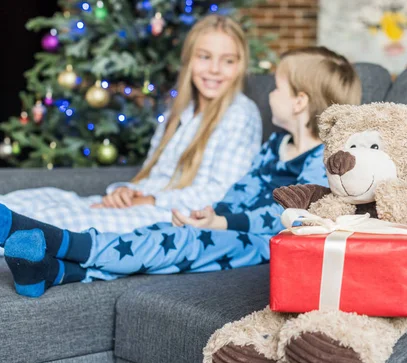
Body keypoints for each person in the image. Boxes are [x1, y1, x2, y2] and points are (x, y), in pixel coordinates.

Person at [0, 46, 362, 298]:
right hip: (226, 228)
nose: (269, 94)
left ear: (299, 101)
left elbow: (286, 216)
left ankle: (50, 238)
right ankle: (48, 272)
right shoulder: (275, 147)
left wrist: (221, 223)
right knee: (157, 236)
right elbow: (240, 189)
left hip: (261, 245)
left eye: (277, 87)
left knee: (177, 243)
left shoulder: (320, 161)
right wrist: (212, 213)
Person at [0, 15, 262, 234]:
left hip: (173, 218)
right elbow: (153, 175)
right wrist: (127, 192)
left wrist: (149, 199)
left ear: (240, 66)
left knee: (56, 223)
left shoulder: (240, 113)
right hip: (143, 203)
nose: (215, 69)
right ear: (189, 60)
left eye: (228, 60)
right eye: (205, 57)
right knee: (29, 201)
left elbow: (223, 194)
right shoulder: (179, 110)